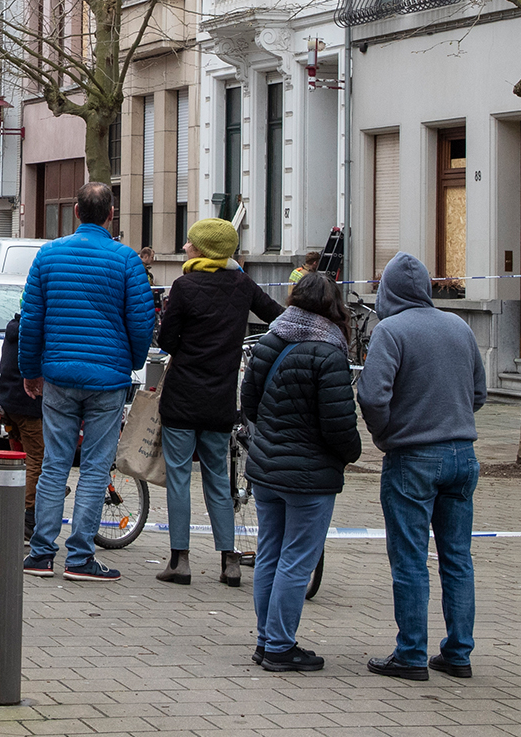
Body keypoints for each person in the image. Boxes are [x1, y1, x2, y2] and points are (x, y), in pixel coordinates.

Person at [358, 251, 485, 682]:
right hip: (462, 456)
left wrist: (386, 434)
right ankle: (458, 653)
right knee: (457, 558)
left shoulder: (390, 331)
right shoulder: (459, 327)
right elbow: (480, 393)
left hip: (411, 458)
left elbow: (372, 397)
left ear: (388, 291)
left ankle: (411, 653)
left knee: (410, 558)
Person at [19, 181, 154, 582]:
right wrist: (128, 362)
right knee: (96, 467)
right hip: (107, 379)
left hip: (59, 376)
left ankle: (41, 553)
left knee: (54, 464)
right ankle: (79, 557)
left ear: (76, 212)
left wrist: (31, 370)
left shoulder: (49, 255)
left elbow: (31, 320)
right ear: (111, 215)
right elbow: (143, 322)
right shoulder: (126, 261)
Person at [241, 271, 362, 671]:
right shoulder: (329, 352)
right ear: (334, 306)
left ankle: (265, 640)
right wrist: (350, 454)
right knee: (296, 560)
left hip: (266, 467)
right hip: (309, 476)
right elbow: (340, 424)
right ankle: (278, 646)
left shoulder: (269, 340)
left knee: (270, 555)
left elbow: (250, 405)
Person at [154, 217, 279, 588]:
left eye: (191, 243)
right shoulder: (242, 285)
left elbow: (167, 342)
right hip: (221, 397)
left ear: (204, 249)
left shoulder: (185, 285)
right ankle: (230, 561)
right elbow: (277, 316)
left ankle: (180, 560)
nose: (186, 248)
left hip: (181, 397)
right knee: (217, 479)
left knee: (179, 476)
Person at [0, 310, 43, 538]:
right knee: (37, 458)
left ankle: (22, 496)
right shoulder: (35, 332)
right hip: (26, 405)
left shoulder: (13, 327)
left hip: (6, 401)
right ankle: (27, 515)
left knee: (22, 460)